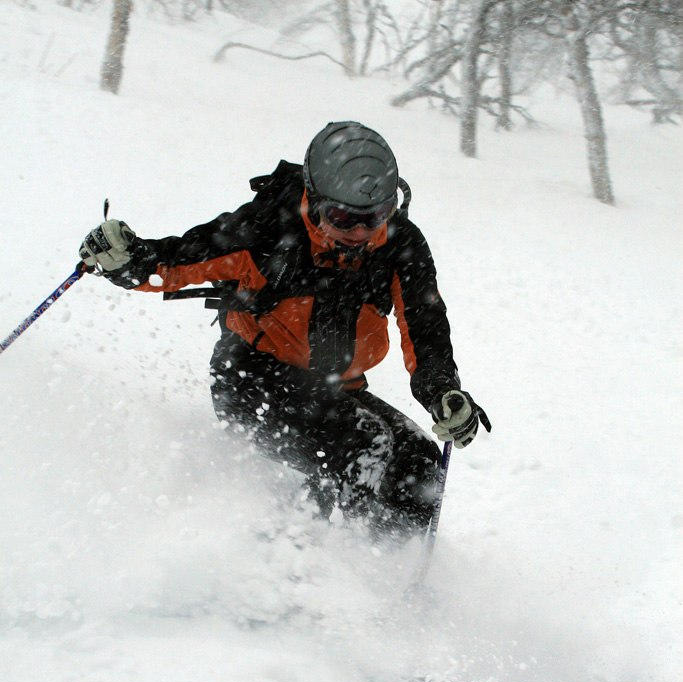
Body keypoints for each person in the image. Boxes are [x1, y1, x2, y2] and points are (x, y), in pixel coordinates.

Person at [79, 121, 490, 537]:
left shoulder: (399, 246)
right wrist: (127, 259)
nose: (360, 233)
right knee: (364, 446)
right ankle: (308, 566)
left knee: (417, 460)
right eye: (342, 217)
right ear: (315, 199)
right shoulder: (269, 230)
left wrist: (441, 391)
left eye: (374, 218)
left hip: (335, 388)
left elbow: (425, 327)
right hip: (251, 379)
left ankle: (398, 569)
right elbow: (177, 260)